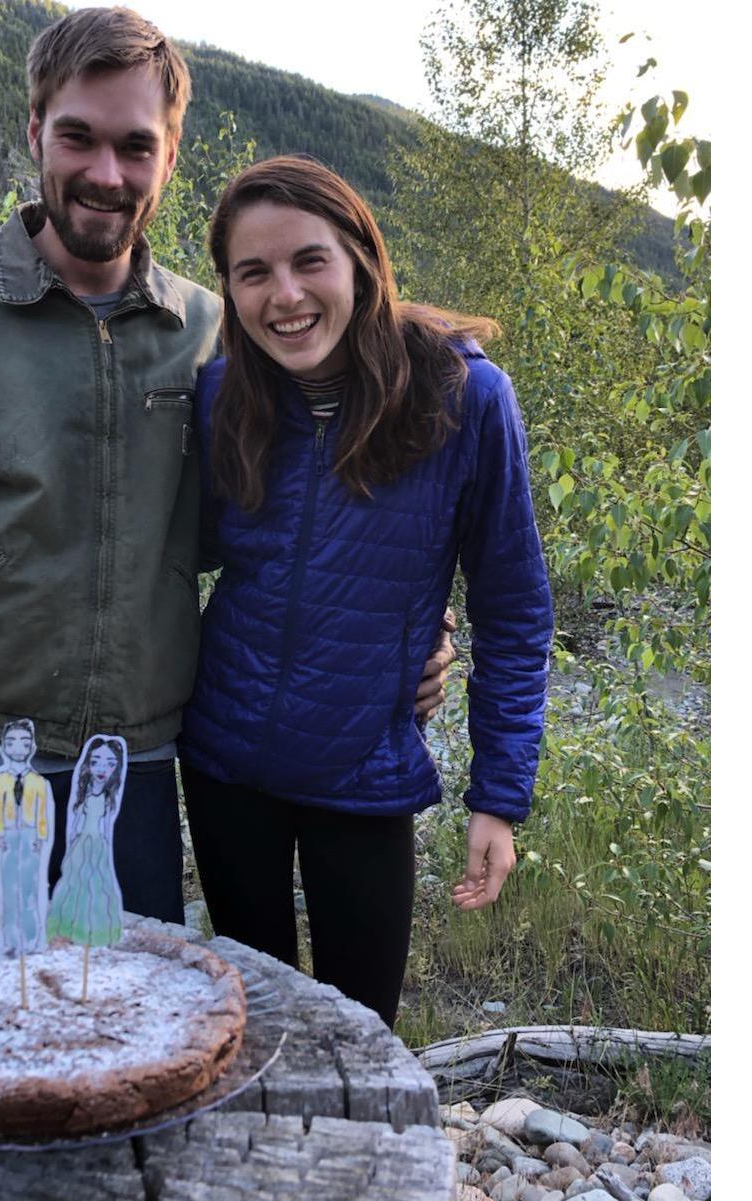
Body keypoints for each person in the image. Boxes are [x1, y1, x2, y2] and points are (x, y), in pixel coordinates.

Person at [0, 7, 455, 917]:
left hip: (119, 787)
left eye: (136, 146)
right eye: (77, 137)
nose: (104, 173)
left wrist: (404, 636)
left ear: (170, 158)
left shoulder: (219, 336)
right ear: (33, 132)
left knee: (113, 1056)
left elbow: (298, 531)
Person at [177, 157, 553, 1028]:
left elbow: (514, 607)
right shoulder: (220, 393)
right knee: (250, 1020)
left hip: (365, 770)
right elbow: (179, 556)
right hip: (225, 760)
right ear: (229, 290)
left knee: (358, 1033)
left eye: (309, 260)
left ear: (359, 258)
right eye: (253, 272)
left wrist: (498, 796)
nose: (285, 295)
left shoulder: (461, 398)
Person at [47, 736, 127, 946]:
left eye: (110, 764)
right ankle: (67, 929)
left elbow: (107, 823)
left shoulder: (109, 797)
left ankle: (97, 933)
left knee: (98, 886)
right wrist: (73, 840)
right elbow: (76, 822)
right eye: (95, 762)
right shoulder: (84, 794)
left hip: (98, 845)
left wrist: (106, 844)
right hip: (81, 843)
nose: (102, 769)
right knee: (74, 883)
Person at [0, 719, 55, 956]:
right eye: (11, 743)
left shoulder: (38, 782)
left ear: (32, 748)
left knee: (29, 888)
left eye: (24, 744)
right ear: (3, 747)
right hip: (8, 835)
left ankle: (31, 939)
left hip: (29, 836)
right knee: (8, 887)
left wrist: (41, 837)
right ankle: (10, 941)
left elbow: (43, 812)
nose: (17, 749)